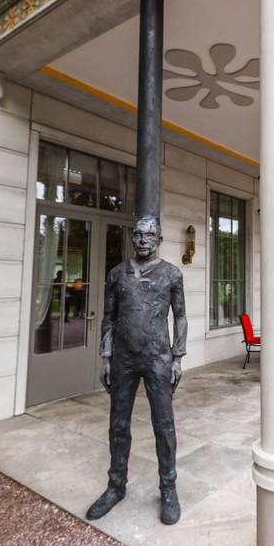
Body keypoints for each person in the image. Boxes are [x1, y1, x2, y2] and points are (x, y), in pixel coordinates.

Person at [86, 216, 188, 525]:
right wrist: (105, 356)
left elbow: (180, 317)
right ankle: (116, 486)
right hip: (123, 360)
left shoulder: (172, 274)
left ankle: (168, 489)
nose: (144, 239)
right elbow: (109, 318)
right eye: (138, 234)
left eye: (150, 235)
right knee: (118, 424)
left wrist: (178, 357)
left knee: (164, 426)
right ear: (133, 238)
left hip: (159, 359)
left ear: (159, 240)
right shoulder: (117, 274)